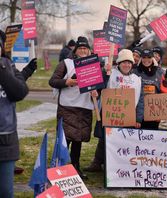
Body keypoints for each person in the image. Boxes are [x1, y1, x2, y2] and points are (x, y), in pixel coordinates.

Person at [84, 49, 144, 172]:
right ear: (119, 63)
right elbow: (99, 85)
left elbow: (140, 100)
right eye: (124, 62)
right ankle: (97, 162)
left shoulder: (136, 79)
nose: (126, 65)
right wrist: (104, 72)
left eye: (129, 62)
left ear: (132, 64)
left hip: (127, 117)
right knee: (104, 140)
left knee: (122, 142)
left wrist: (138, 118)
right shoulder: (110, 74)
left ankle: (117, 166)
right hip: (110, 114)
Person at [49, 36, 98, 179]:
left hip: (84, 108)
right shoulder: (66, 63)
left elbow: (97, 87)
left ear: (89, 51)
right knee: (65, 140)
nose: (83, 50)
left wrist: (96, 91)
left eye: (85, 48)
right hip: (67, 107)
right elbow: (52, 81)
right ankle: (59, 167)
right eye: (80, 48)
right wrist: (67, 81)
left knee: (78, 140)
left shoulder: (93, 65)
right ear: (75, 51)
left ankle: (75, 167)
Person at [0, 29, 29, 198]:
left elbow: (20, 92)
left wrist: (3, 70)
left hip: (6, 141)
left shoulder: (9, 66)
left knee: (5, 191)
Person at [133, 49, 167, 130]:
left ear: (152, 58)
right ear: (141, 59)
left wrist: (160, 114)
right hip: (137, 115)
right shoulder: (135, 72)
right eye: (144, 57)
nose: (146, 60)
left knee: (150, 141)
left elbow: (164, 92)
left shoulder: (159, 72)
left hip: (153, 115)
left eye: (149, 57)